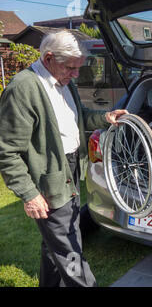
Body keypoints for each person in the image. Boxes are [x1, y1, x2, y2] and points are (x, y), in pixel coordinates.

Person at [0, 30, 128, 286]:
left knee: (55, 245)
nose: (75, 74)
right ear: (49, 58)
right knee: (70, 249)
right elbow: (7, 151)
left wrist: (105, 117)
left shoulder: (64, 81)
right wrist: (29, 194)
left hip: (69, 172)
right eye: (71, 67)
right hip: (49, 182)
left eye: (77, 68)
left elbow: (77, 116)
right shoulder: (23, 89)